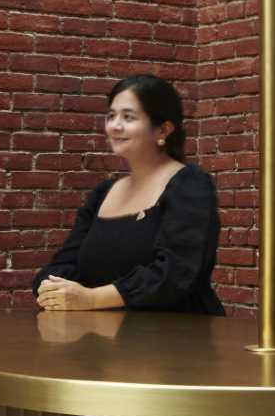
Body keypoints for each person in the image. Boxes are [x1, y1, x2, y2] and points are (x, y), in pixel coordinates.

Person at [33, 74, 224, 316]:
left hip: (177, 339)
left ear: (163, 129)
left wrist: (91, 298)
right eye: (111, 116)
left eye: (128, 117)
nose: (115, 125)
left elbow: (176, 274)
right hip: (103, 339)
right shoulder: (103, 193)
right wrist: (53, 290)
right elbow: (64, 264)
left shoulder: (190, 185)